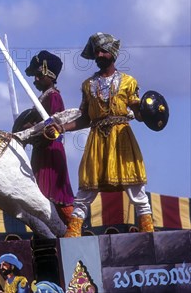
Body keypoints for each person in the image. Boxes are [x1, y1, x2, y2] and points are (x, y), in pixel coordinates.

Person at [49, 33, 154, 237]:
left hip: (122, 138)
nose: (99, 54)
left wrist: (147, 113)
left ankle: (148, 232)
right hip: (97, 140)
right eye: (96, 51)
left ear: (113, 53)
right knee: (87, 188)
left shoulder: (128, 82)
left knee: (136, 189)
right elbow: (85, 118)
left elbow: (138, 112)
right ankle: (73, 231)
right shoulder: (88, 85)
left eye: (103, 50)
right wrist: (62, 127)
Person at [21, 51, 74, 224]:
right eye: (34, 76)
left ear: (50, 76)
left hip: (50, 150)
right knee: (38, 196)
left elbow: (51, 128)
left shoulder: (53, 97)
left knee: (53, 194)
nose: (35, 80)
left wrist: (32, 129)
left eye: (39, 75)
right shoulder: (43, 97)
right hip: (40, 151)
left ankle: (73, 228)